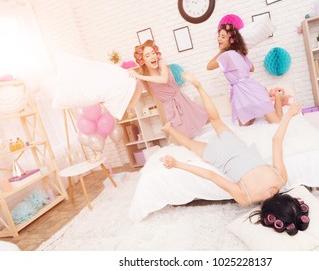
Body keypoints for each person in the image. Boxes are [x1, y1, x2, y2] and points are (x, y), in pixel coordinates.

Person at [161, 72, 308, 235]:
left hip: (236, 145)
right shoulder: (246, 198)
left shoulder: (281, 178)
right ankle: (169, 129)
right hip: (220, 156)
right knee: (190, 144)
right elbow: (212, 176)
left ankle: (199, 87)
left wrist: (289, 115)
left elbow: (276, 140)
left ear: (286, 199)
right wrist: (177, 164)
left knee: (216, 120)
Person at [207, 23, 287, 126]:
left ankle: (278, 97)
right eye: (219, 36)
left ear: (231, 40)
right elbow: (252, 68)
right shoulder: (239, 53)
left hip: (250, 91)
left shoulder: (226, 55)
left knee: (276, 121)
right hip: (243, 92)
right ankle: (255, 111)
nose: (219, 39)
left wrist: (222, 51)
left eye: (223, 37)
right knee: (245, 125)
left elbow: (209, 66)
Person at [128, 40, 208, 138]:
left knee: (204, 127)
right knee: (181, 139)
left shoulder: (162, 63)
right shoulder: (142, 82)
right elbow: (132, 104)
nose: (153, 56)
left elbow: (164, 79)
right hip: (170, 110)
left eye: (153, 53)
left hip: (183, 102)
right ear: (142, 61)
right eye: (148, 55)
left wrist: (140, 76)